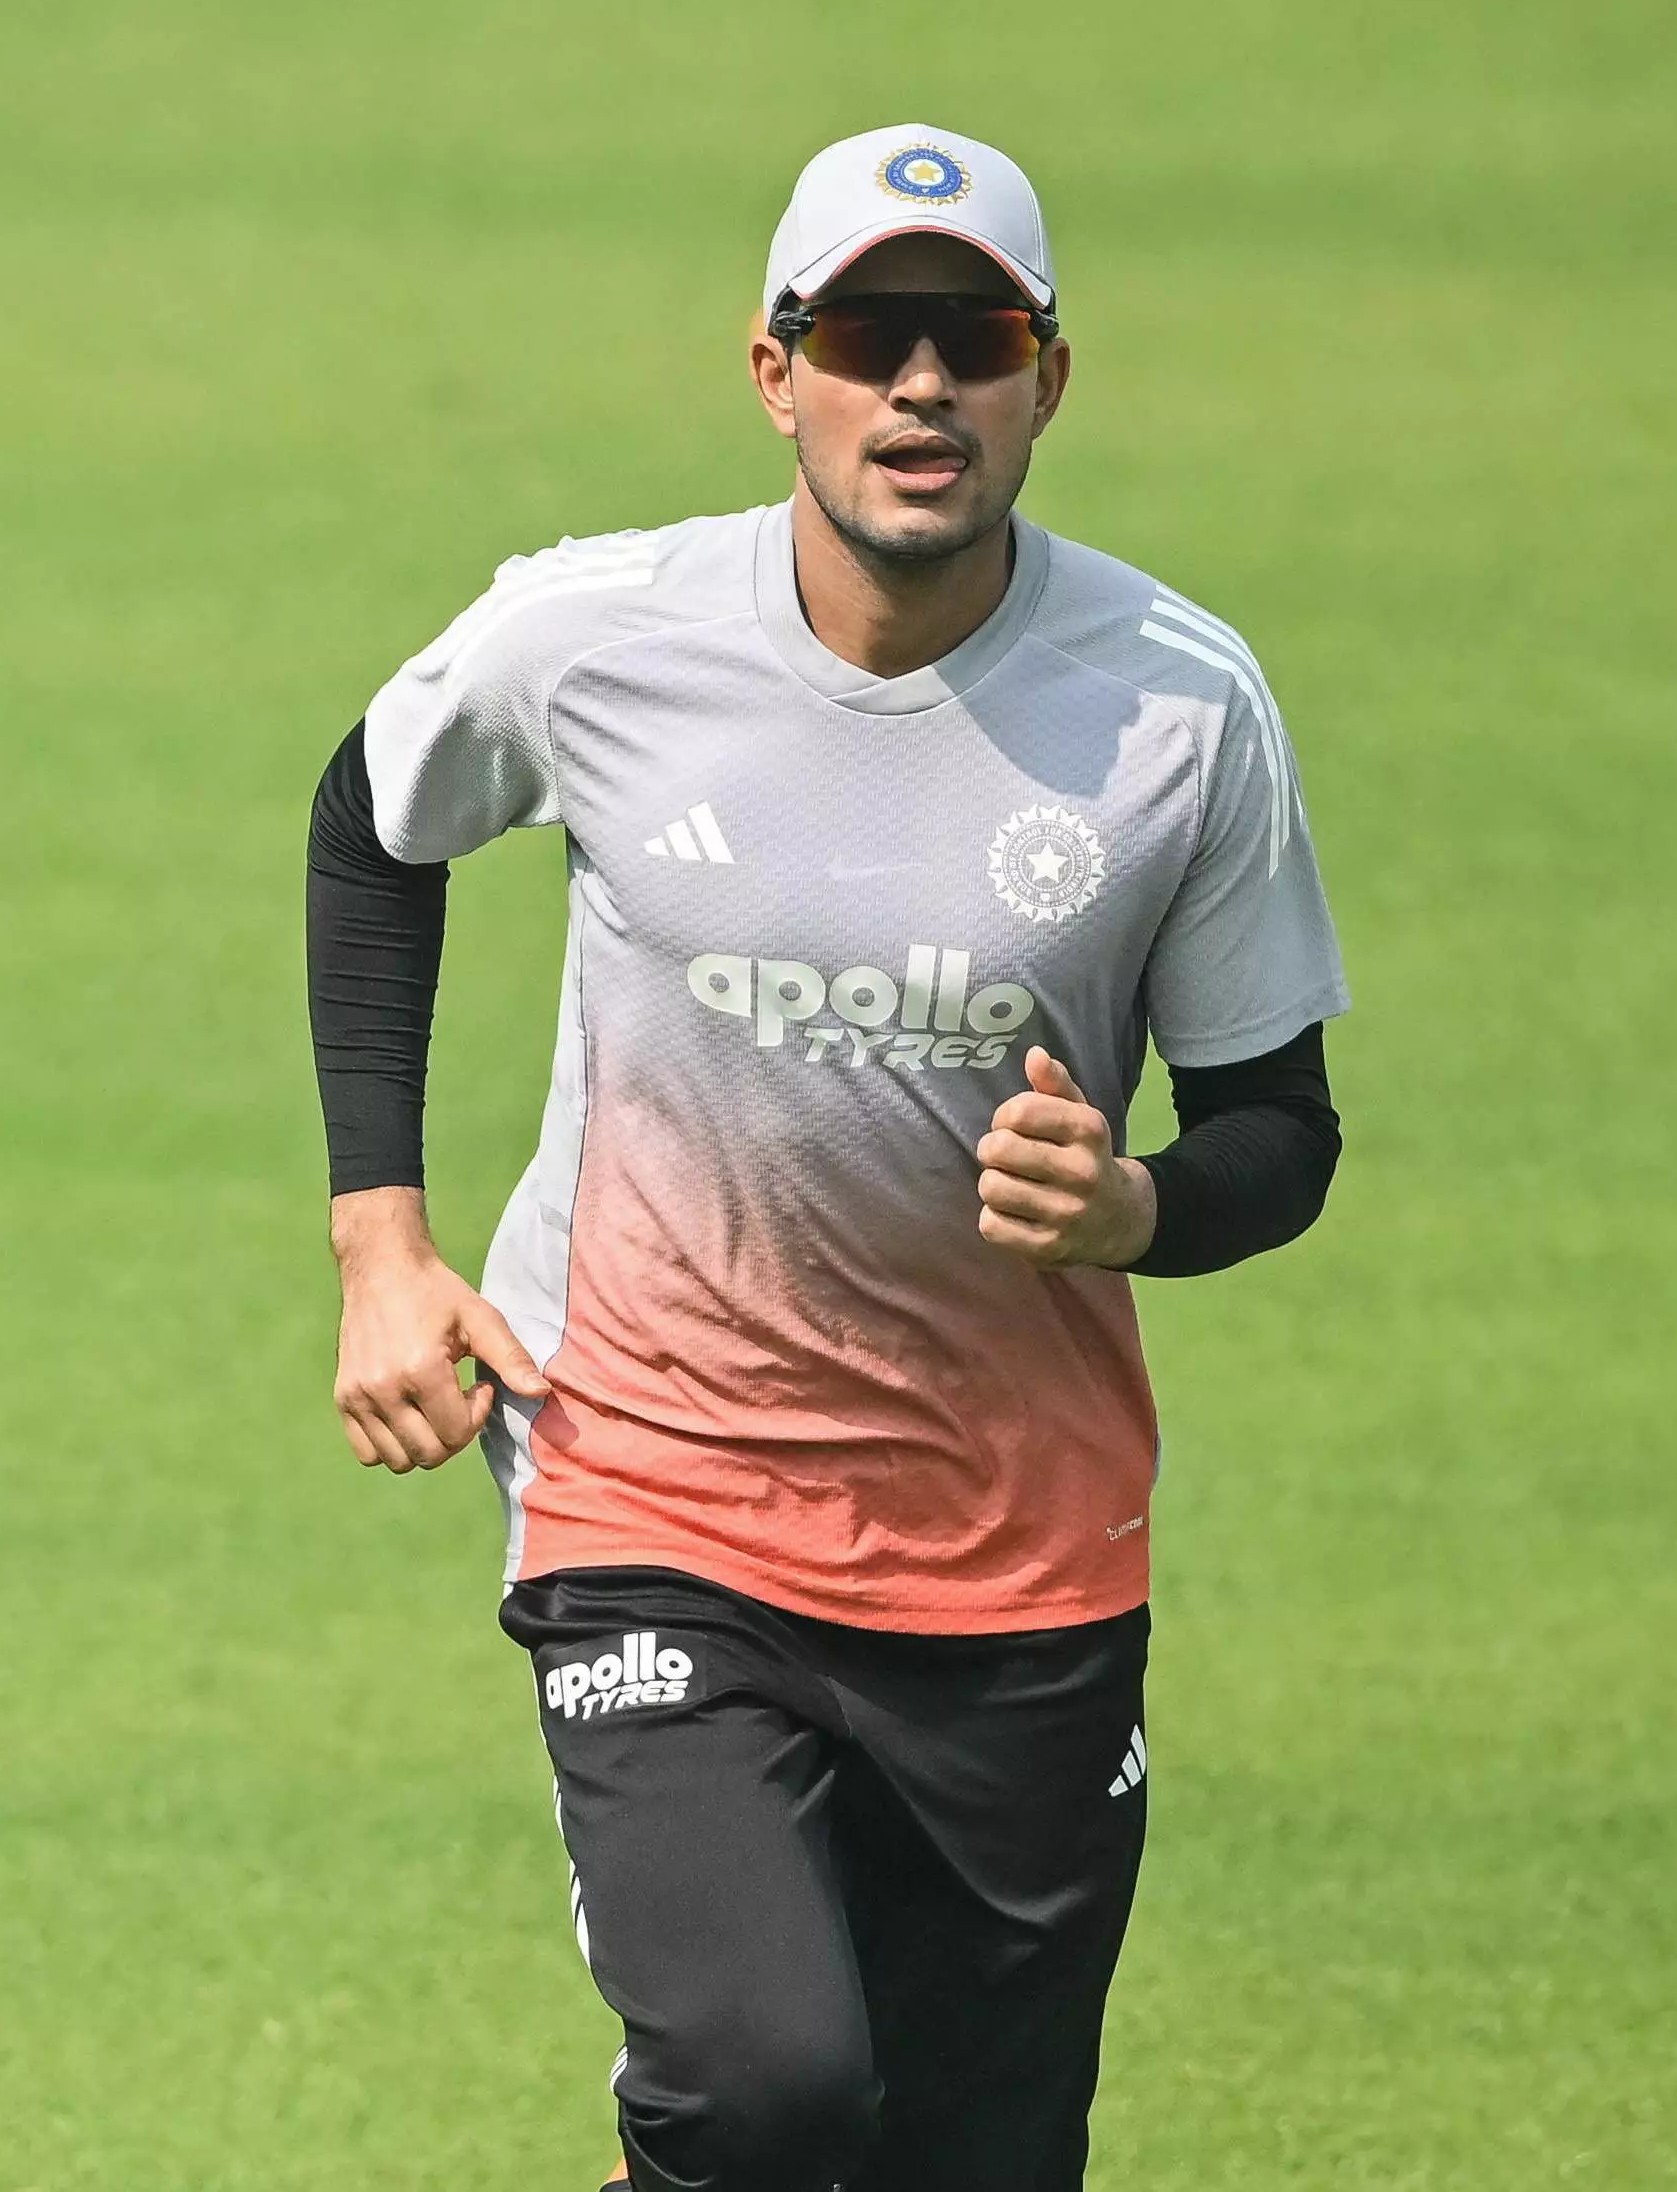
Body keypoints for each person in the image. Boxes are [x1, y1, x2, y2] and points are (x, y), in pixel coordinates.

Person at [303, 122, 1348, 2192]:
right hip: (651, 1483)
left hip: (1017, 1547)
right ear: (775, 371)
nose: (923, 384)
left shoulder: (1175, 710)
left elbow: (1280, 1132)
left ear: (1052, 377)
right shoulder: (596, 636)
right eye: (869, 336)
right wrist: (381, 1246)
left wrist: (1135, 1206)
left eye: (978, 337)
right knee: (760, 2091)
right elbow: (374, 820)